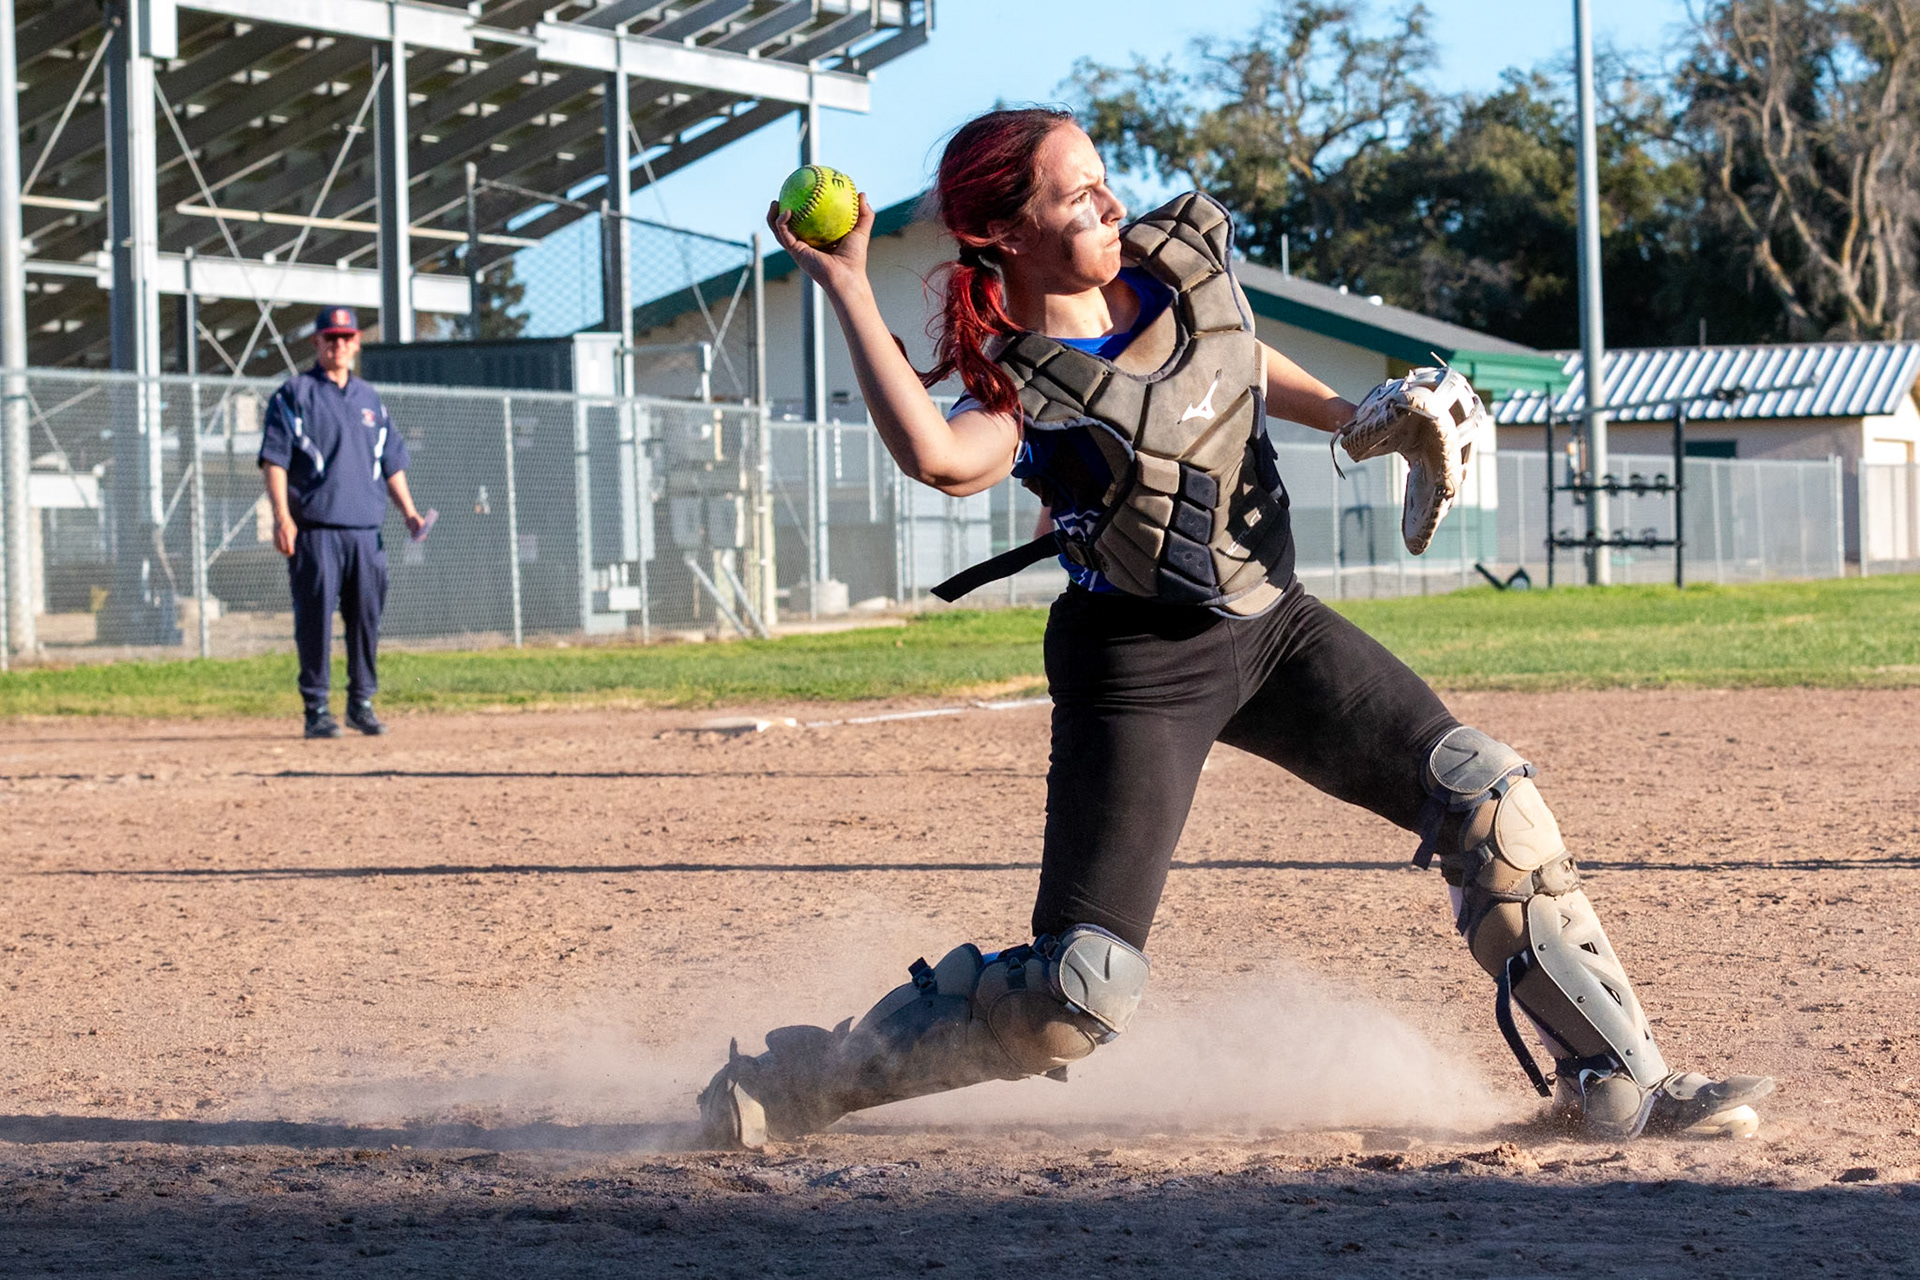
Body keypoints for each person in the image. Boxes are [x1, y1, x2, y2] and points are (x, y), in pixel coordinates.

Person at [699, 108, 1773, 1148]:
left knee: (1489, 799)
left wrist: (1359, 417)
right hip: (1138, 668)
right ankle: (812, 1078)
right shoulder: (1023, 388)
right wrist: (843, 282)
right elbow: (938, 457)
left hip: (1277, 627)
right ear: (1002, 232)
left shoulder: (1178, 270)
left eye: (1104, 179)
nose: (1111, 204)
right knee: (1078, 992)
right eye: (1078, 197)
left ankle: (1625, 1081)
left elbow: (1237, 364)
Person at [258, 307, 426, 739]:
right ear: (316, 343)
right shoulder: (294, 394)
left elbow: (391, 462)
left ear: (356, 343)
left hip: (365, 532)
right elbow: (275, 460)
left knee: (366, 619)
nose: (338, 345)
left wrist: (408, 511)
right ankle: (316, 709)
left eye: (346, 337)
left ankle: (361, 704)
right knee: (314, 619)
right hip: (315, 530)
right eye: (329, 338)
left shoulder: (371, 400)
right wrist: (282, 517)